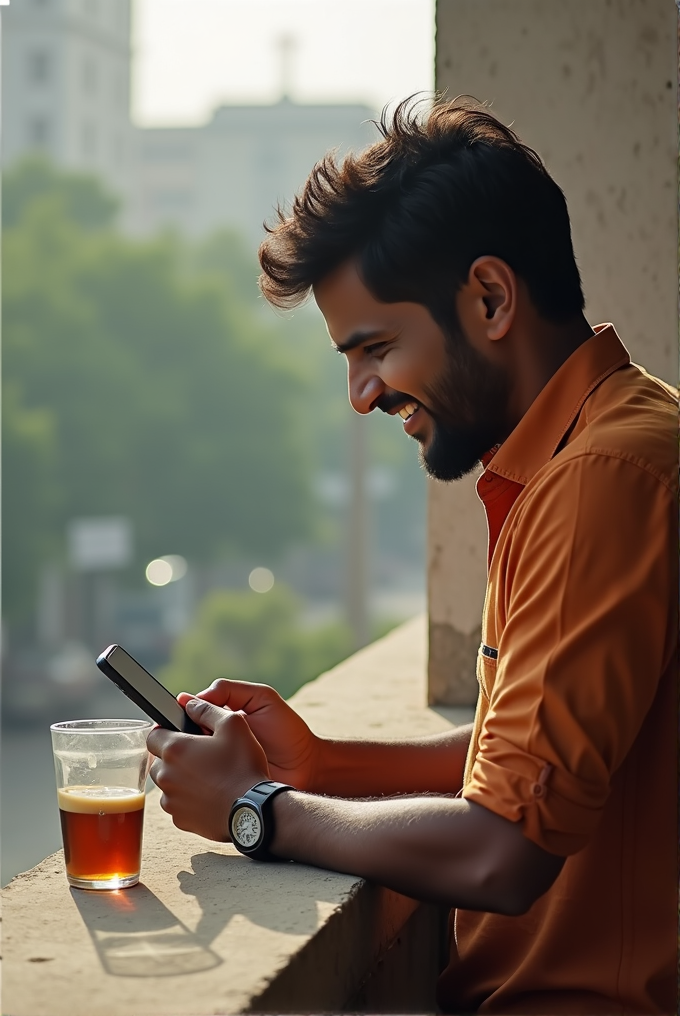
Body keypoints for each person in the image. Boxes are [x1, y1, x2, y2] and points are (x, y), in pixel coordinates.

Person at [147, 99, 677, 1015]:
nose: (360, 396)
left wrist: (260, 811)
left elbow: (503, 849)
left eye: (376, 348)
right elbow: (535, 754)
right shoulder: (609, 440)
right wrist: (316, 766)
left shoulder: (603, 479)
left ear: (491, 299)